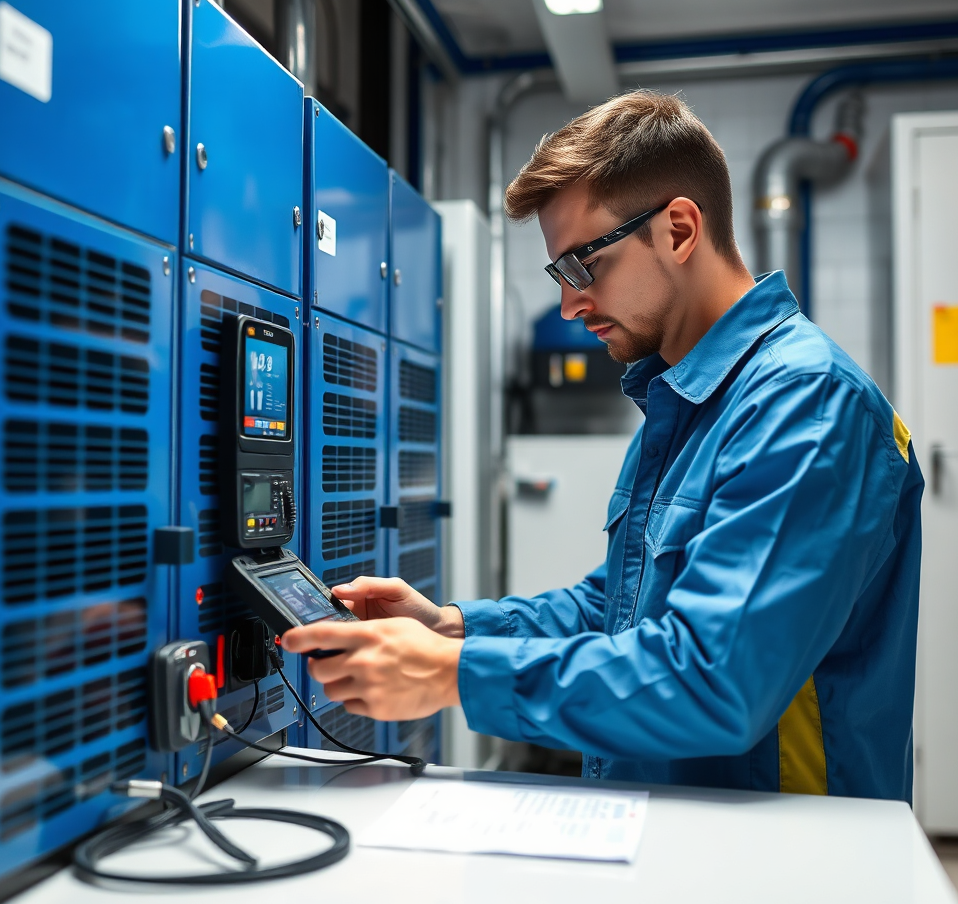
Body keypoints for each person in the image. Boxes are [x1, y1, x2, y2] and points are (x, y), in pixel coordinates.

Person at [284, 90, 924, 801]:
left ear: (679, 229)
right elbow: (617, 609)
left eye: (583, 266)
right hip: (686, 827)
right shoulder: (683, 400)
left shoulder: (807, 404)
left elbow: (716, 680)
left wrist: (446, 675)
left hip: (782, 859)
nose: (568, 305)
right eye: (561, 275)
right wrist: (452, 627)